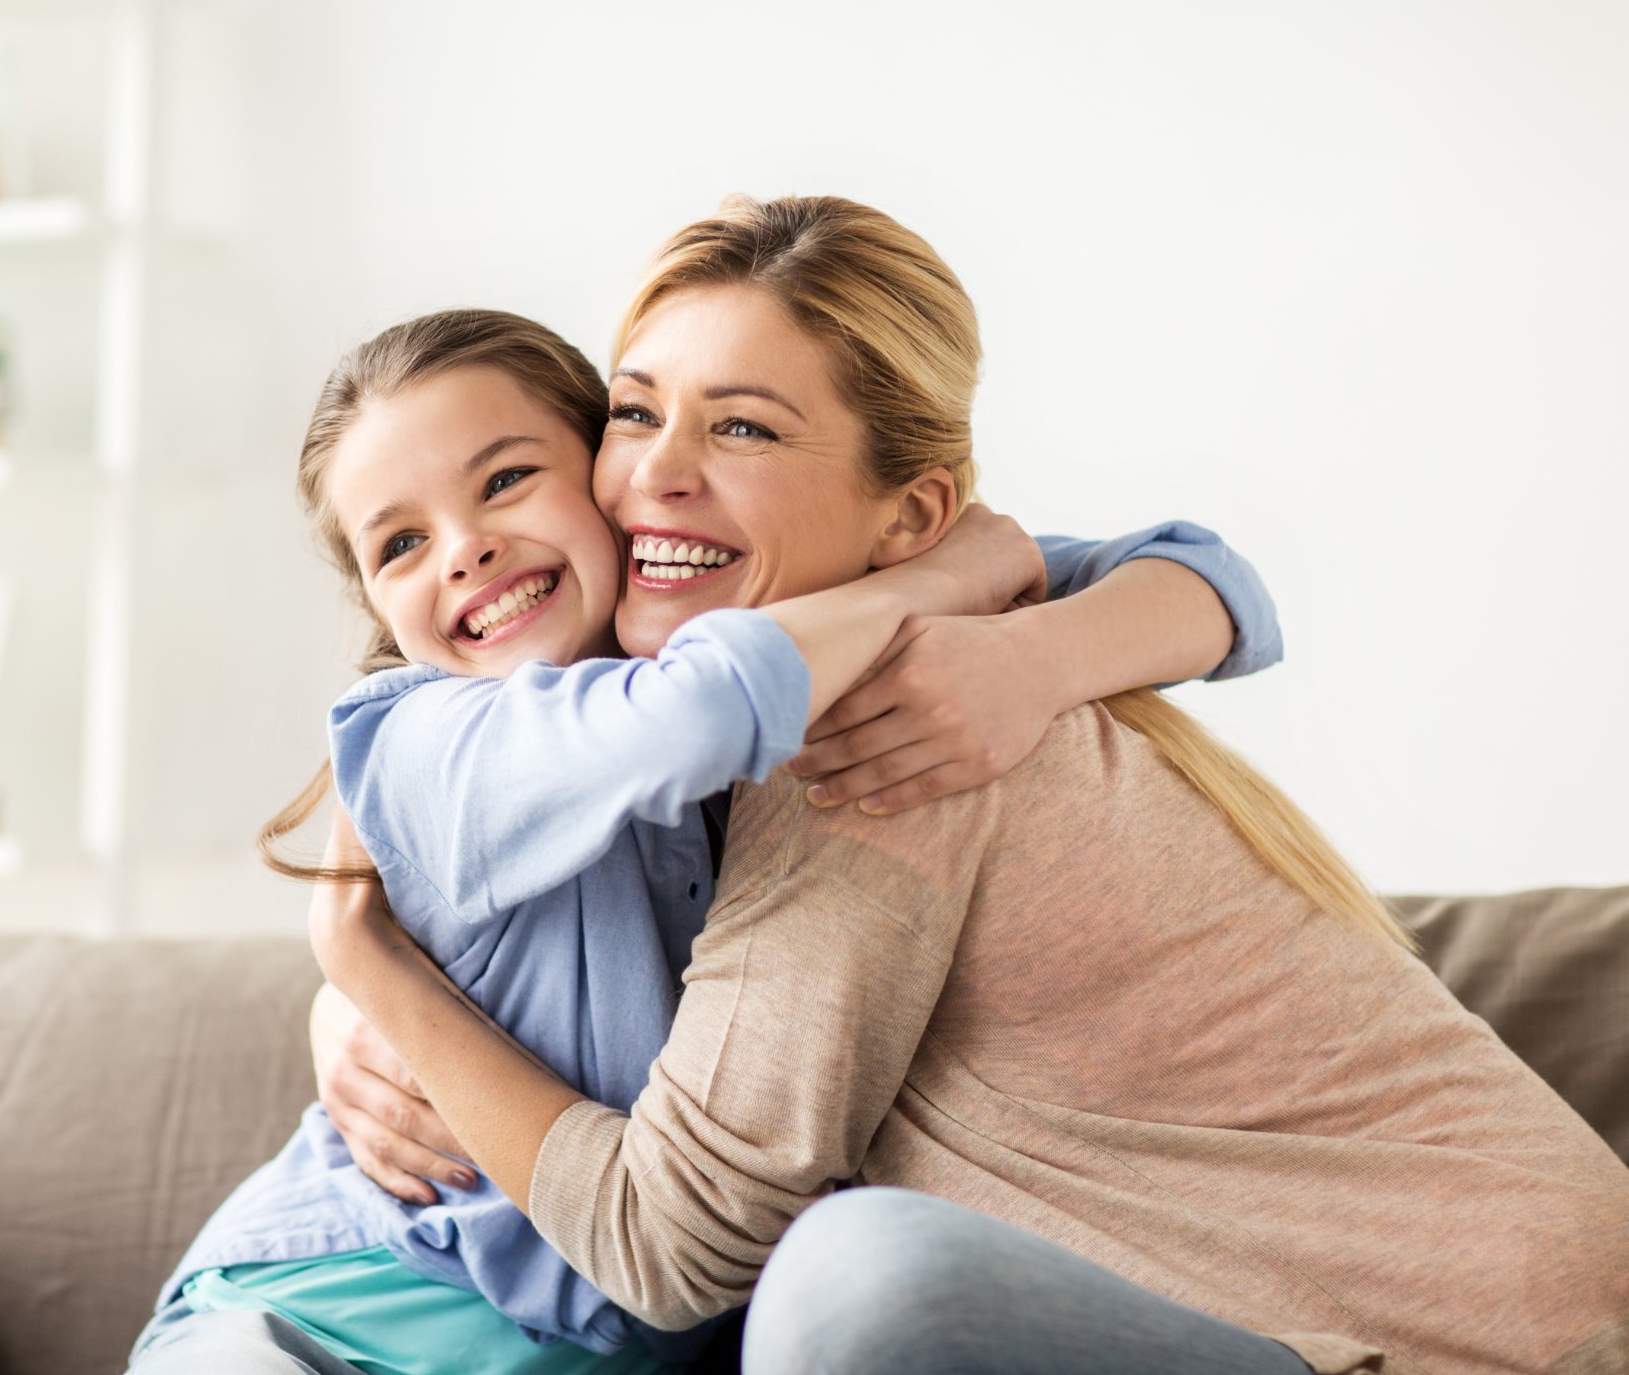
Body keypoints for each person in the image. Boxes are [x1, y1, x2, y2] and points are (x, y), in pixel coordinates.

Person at [307, 195, 1629, 1375]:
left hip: (1481, 1338)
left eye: (744, 427)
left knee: (857, 1279)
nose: (656, 473)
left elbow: (667, 1249)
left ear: (908, 518)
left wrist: (377, 972)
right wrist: (341, 1018)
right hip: (1298, 1320)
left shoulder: (894, 728)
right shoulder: (866, 658)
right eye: (637, 412)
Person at [131, 298, 1285, 1369]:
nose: (464, 549)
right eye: (398, 544)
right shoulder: (427, 737)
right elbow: (700, 709)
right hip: (326, 1313)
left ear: (608, 481)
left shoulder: (736, 652)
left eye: (507, 479)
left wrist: (1029, 652)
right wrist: (934, 583)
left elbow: (1211, 580)